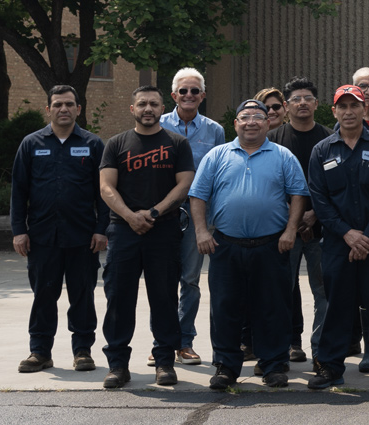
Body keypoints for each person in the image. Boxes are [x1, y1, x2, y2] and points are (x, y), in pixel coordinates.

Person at [187, 99, 309, 390]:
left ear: (268, 123)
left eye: (258, 116)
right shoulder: (217, 155)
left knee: (273, 307)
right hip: (225, 246)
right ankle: (226, 366)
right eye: (245, 117)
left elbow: (298, 196)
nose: (251, 121)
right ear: (236, 124)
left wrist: (291, 231)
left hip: (272, 245)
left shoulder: (283, 156)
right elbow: (197, 195)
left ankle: (273, 365)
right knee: (225, 307)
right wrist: (201, 231)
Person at [96, 85, 195, 388]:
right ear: (133, 109)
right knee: (119, 299)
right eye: (142, 104)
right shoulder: (116, 144)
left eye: (153, 104)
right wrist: (130, 216)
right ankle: (117, 365)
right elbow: (105, 187)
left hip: (163, 231)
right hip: (123, 232)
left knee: (164, 297)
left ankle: (164, 362)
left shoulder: (177, 144)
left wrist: (152, 213)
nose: (148, 109)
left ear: (162, 108)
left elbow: (184, 185)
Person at [303, 85, 369, 390]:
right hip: (337, 244)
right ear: (333, 111)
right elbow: (319, 199)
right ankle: (331, 367)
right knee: (337, 306)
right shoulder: (322, 150)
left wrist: (366, 237)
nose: (348, 112)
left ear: (364, 109)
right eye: (342, 106)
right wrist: (347, 234)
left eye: (354, 106)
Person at [11, 85, 106, 375]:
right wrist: (18, 230)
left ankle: (82, 351)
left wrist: (102, 230)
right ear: (48, 108)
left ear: (79, 109)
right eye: (57, 104)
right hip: (41, 237)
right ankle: (39, 352)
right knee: (43, 294)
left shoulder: (93, 145)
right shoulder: (31, 144)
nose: (63, 109)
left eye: (69, 104)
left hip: (82, 237)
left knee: (82, 294)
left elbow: (103, 193)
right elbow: (19, 190)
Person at [156, 69, 224, 368]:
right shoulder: (157, 125)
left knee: (191, 280)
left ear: (203, 96)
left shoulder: (214, 131)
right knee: (162, 280)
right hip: (162, 213)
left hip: (198, 214)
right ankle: (163, 342)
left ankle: (185, 342)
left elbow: (218, 175)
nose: (188, 96)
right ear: (173, 95)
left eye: (194, 91)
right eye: (183, 91)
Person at [269, 77, 329, 364]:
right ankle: (283, 349)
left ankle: (321, 351)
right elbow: (268, 186)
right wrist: (293, 220)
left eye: (308, 98)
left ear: (316, 104)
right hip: (283, 231)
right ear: (285, 106)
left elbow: (337, 186)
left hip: (324, 230)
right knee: (281, 291)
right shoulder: (273, 141)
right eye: (296, 99)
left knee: (324, 293)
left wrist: (314, 213)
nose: (302, 103)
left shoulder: (331, 139)